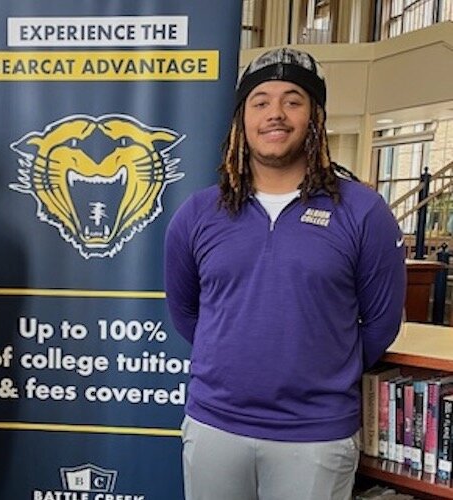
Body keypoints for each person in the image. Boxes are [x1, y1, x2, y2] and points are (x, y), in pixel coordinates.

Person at [164, 47, 406, 500]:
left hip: (316, 436)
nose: (275, 114)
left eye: (293, 100)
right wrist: (237, 358)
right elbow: (185, 311)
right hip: (216, 425)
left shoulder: (363, 211)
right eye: (261, 102)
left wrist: (316, 370)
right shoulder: (198, 214)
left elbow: (381, 324)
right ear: (242, 119)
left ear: (315, 117)